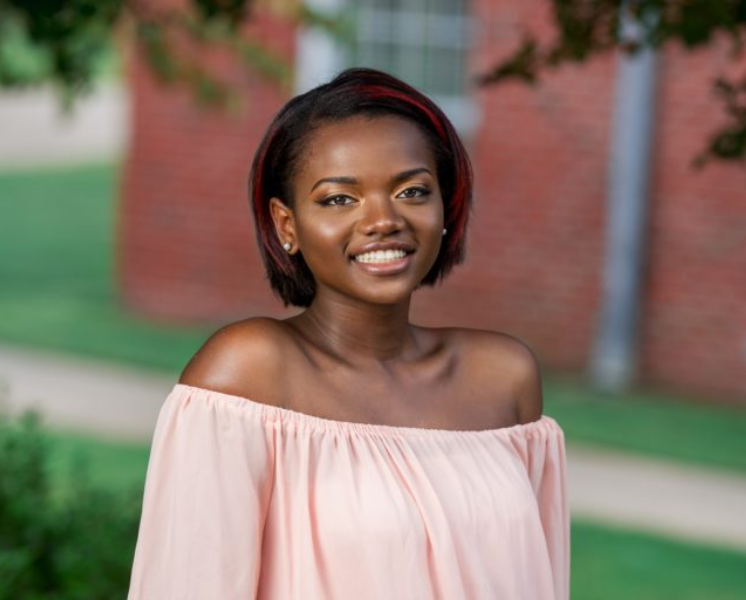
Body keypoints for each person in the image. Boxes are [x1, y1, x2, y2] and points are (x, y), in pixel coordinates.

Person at [127, 68, 569, 600]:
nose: (384, 220)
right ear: (286, 225)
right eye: (340, 199)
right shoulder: (248, 374)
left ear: (444, 207)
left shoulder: (503, 377)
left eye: (411, 190)